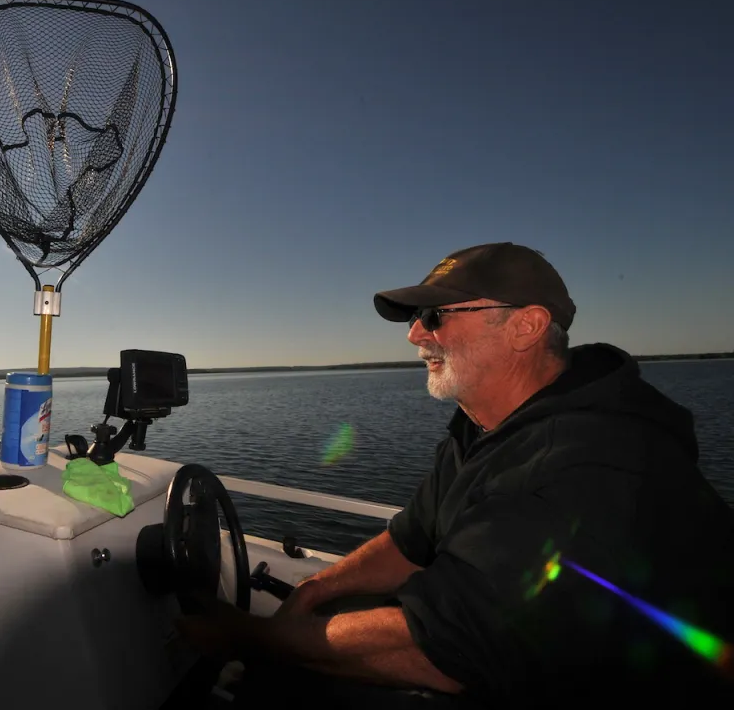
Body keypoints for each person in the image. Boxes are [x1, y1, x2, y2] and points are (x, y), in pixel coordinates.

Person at [177, 242, 734, 707]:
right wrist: (317, 586)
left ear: (526, 326)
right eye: (417, 319)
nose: (415, 335)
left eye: (436, 316)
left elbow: (442, 649)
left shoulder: (593, 459)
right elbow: (410, 541)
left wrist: (252, 634)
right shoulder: (481, 425)